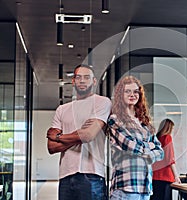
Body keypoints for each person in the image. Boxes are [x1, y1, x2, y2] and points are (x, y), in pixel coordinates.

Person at [46, 64, 112, 200]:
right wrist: (79, 135)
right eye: (78, 77)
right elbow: (51, 147)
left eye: (87, 77)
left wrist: (59, 136)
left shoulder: (102, 102)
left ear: (94, 81)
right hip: (65, 175)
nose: (82, 81)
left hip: (92, 175)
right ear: (73, 81)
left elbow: (88, 135)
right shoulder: (62, 109)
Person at [107, 76, 164, 200]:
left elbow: (160, 151)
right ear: (120, 95)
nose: (132, 94)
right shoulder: (115, 120)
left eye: (135, 91)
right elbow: (130, 146)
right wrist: (149, 147)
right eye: (127, 91)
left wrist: (147, 152)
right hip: (126, 187)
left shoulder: (145, 123)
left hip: (145, 187)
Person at [151, 118, 181, 200]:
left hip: (154, 176)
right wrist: (176, 176)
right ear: (169, 128)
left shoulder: (156, 139)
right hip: (164, 177)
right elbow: (170, 159)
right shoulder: (167, 138)